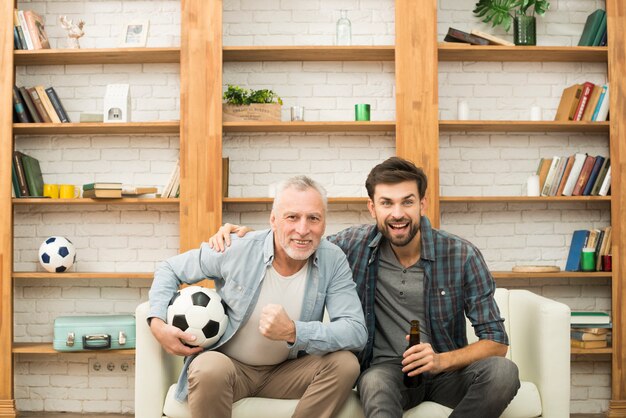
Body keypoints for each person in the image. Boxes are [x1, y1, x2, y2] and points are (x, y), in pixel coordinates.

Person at [210, 157, 520, 418]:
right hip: (384, 371)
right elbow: (298, 239)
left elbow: (496, 342)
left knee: (503, 373)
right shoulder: (351, 246)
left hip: (447, 372)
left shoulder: (461, 255)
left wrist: (441, 360)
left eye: (407, 202)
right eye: (387, 203)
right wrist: (252, 240)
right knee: (374, 383)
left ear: (422, 204)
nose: (397, 213)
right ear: (372, 208)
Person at [148, 175, 367, 418]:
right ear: (273, 220)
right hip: (230, 368)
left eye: (313, 218)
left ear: (324, 223)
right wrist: (157, 324)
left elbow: (355, 331)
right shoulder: (236, 247)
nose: (303, 229)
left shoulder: (332, 259)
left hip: (289, 372)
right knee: (208, 367)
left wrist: (294, 331)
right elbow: (170, 269)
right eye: (292, 217)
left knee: (346, 364)